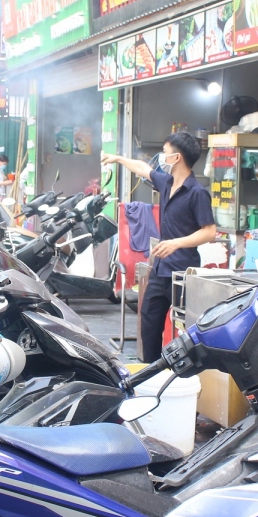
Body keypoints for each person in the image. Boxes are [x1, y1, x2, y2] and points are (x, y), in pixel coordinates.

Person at [102, 132, 216, 362]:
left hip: (183, 271)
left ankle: (187, 375)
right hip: (160, 269)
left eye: (165, 152)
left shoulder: (197, 193)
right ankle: (150, 371)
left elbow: (209, 231)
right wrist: (118, 159)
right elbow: (143, 168)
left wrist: (176, 243)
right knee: (149, 321)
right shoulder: (167, 182)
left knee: (189, 329)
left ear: (177, 157)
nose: (161, 156)